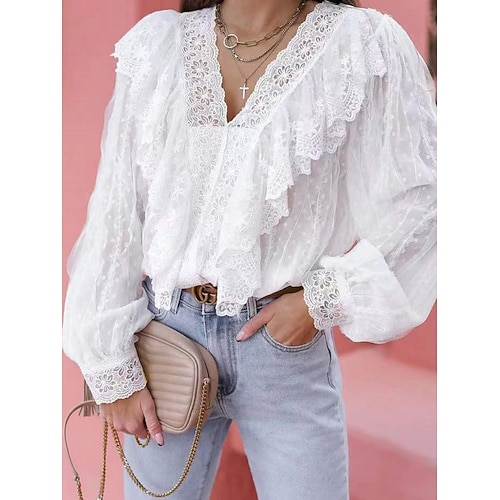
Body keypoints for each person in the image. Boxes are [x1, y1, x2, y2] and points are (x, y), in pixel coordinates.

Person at [62, 0, 437, 498]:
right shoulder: (159, 47)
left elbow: (422, 204)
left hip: (282, 349)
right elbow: (114, 213)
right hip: (166, 341)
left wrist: (319, 301)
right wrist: (111, 368)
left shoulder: (361, 45)